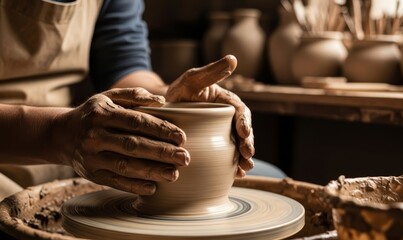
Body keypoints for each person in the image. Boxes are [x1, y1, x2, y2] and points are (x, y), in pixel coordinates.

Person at [0, 0, 284, 200]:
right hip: (17, 144)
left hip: (73, 144)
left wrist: (169, 99)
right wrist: (56, 134)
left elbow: (125, 68)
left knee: (270, 183)